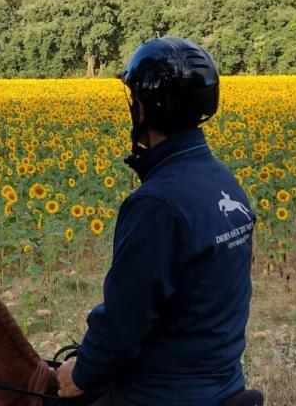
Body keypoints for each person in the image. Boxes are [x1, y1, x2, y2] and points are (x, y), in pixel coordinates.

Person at [56, 36, 256, 405]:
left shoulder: (157, 205)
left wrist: (80, 374)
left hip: (162, 393)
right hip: (222, 382)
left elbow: (123, 322)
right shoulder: (224, 182)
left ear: (145, 110)